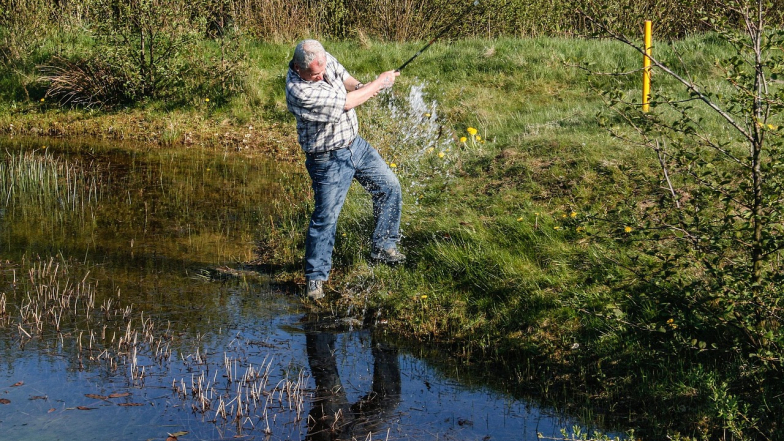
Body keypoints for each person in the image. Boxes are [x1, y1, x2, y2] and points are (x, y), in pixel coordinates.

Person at [285, 39, 405, 300]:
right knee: (326, 217)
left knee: (389, 188)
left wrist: (363, 86)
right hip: (326, 158)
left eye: (322, 69)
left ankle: (383, 247)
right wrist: (378, 84)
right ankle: (315, 279)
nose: (320, 75)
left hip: (356, 145)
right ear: (298, 67)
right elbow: (347, 103)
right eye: (315, 74)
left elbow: (346, 79)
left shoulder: (321, 58)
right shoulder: (300, 91)